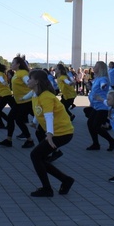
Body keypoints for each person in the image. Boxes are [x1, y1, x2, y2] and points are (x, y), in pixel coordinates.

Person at [26, 69, 75, 197]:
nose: (28, 80)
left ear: (36, 81)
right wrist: (35, 122)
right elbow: (39, 110)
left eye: (30, 78)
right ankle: (65, 180)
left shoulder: (46, 96)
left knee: (35, 156)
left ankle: (47, 189)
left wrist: (49, 134)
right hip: (57, 132)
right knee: (39, 158)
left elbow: (49, 116)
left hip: (63, 133)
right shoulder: (36, 94)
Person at [0, 55, 35, 149]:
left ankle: (30, 140)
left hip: (26, 101)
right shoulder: (17, 73)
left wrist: (26, 96)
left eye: (13, 63)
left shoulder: (22, 73)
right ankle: (9, 140)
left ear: (18, 64)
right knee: (11, 118)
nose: (11, 64)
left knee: (18, 120)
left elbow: (29, 84)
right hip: (19, 102)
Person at [86, 61, 114, 151]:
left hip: (102, 107)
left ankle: (112, 141)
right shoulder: (97, 78)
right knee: (90, 124)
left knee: (96, 126)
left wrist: (103, 86)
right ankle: (96, 144)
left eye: (95, 66)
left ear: (100, 68)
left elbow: (103, 85)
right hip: (96, 106)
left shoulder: (103, 79)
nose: (93, 67)